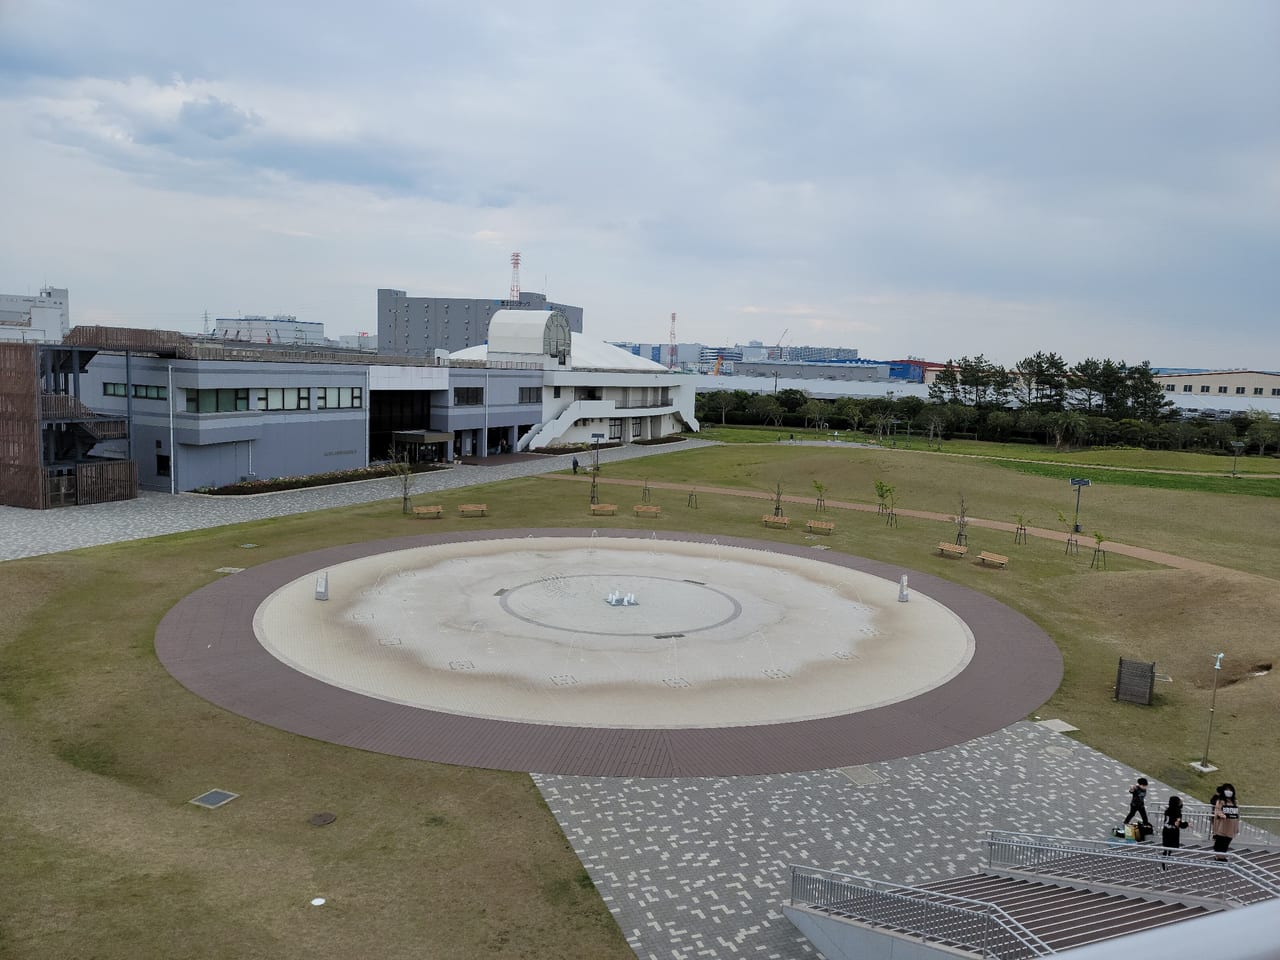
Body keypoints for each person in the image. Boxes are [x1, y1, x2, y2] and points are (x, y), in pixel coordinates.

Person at [1212, 783, 1241, 859]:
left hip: (1231, 827)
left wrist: (1237, 828)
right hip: (1222, 826)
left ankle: (1222, 856)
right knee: (1220, 842)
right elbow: (1217, 811)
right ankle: (1218, 857)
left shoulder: (1235, 802)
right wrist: (1221, 815)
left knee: (1226, 843)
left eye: (1230, 790)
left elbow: (1237, 815)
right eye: (1227, 790)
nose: (1229, 791)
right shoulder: (1220, 801)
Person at [1161, 796, 1188, 868]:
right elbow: (1177, 823)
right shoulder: (1176, 812)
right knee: (1168, 849)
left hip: (1167, 831)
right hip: (1171, 832)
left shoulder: (1169, 810)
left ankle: (1165, 863)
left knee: (1167, 848)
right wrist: (1187, 824)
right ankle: (1164, 864)